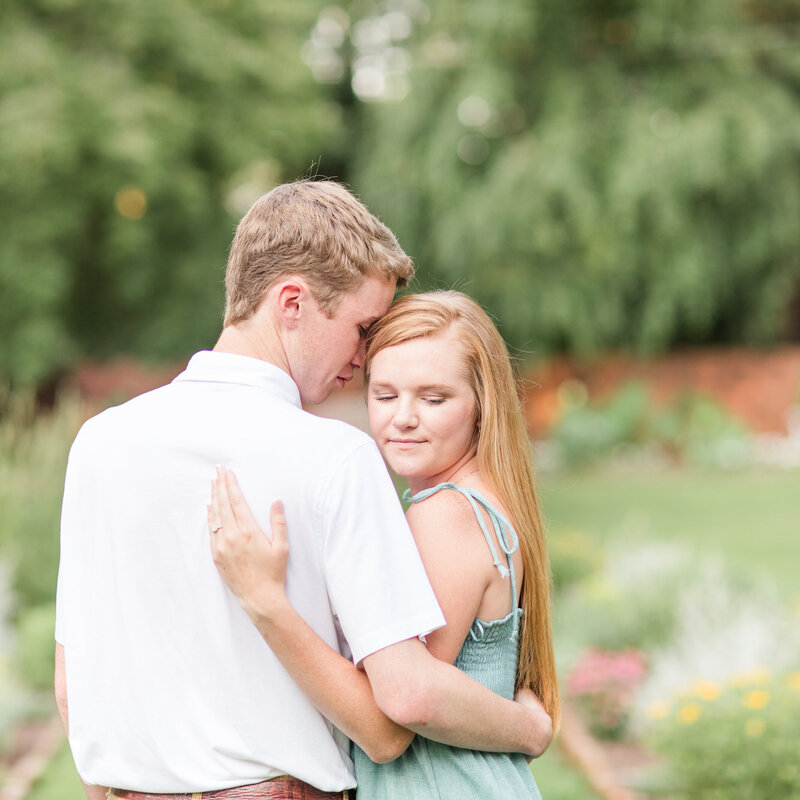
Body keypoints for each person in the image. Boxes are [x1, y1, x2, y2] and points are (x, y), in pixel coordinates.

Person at [55, 180, 553, 800]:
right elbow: (390, 726)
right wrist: (528, 728)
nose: (365, 354)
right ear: (291, 302)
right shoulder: (337, 458)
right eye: (362, 326)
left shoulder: (99, 443)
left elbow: (73, 688)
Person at [208, 290, 560, 799]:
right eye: (386, 395)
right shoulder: (481, 500)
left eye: (434, 398)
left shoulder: (445, 513)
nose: (404, 418)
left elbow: (405, 697)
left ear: (483, 406)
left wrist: (266, 598)